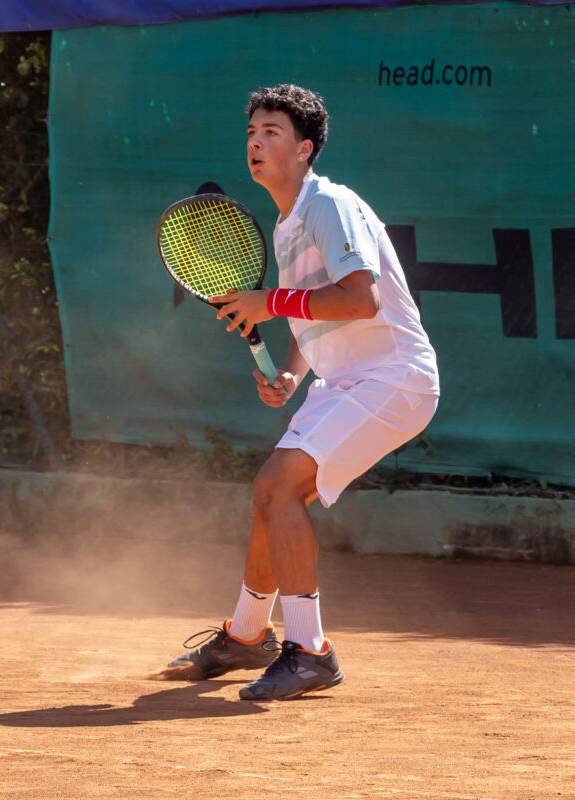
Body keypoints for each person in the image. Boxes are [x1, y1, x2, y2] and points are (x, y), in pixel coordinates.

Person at [161, 84, 440, 701]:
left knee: (275, 486)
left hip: (393, 377)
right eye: (252, 133)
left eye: (273, 133)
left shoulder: (328, 205)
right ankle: (246, 636)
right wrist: (292, 372)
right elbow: (315, 316)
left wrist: (269, 302)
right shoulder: (289, 223)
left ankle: (311, 651)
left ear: (305, 148)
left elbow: (360, 300)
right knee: (271, 497)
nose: (256, 143)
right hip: (342, 381)